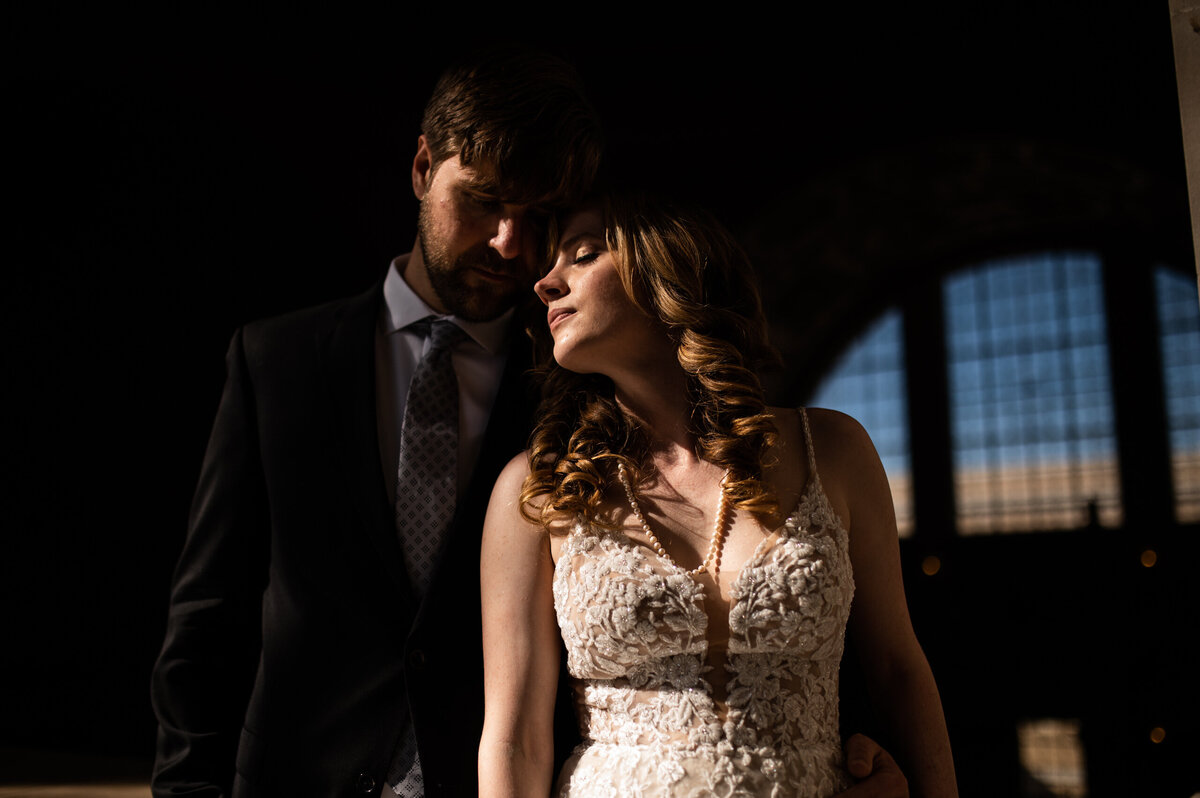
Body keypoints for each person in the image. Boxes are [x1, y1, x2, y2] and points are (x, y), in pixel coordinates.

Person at [150, 48, 603, 797]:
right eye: (484, 199)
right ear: (424, 168)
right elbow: (208, 619)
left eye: (541, 216)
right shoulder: (277, 362)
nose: (509, 244)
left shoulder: (579, 384)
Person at [478, 193, 958, 796]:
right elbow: (514, 737)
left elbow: (897, 671)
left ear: (667, 268)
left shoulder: (834, 449)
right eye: (550, 266)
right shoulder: (537, 489)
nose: (547, 283)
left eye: (583, 254)